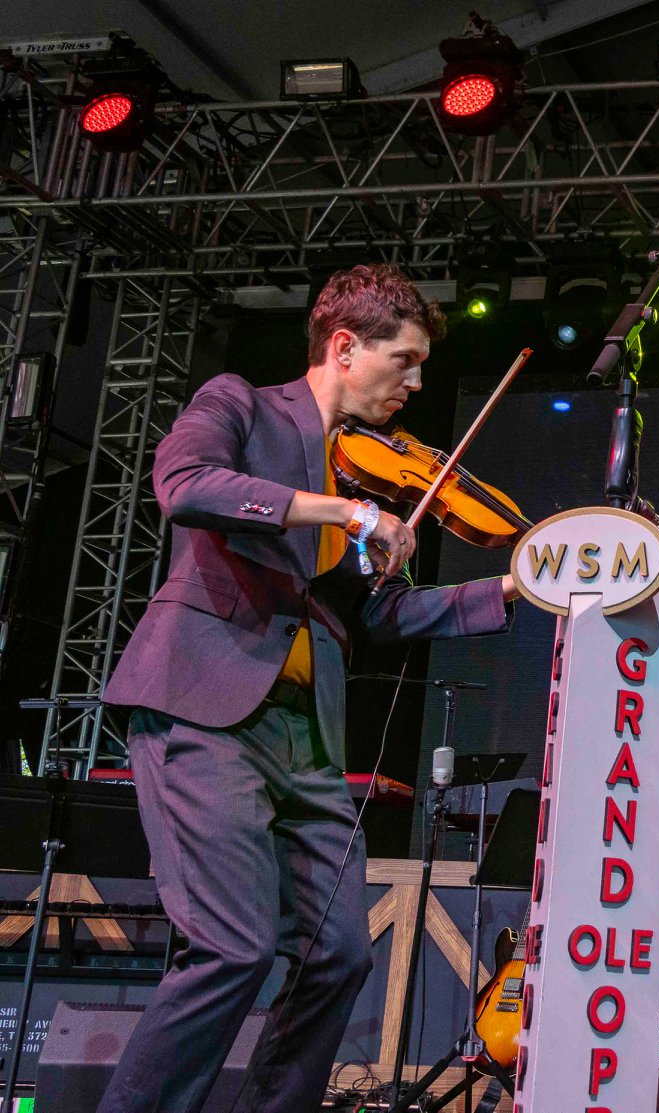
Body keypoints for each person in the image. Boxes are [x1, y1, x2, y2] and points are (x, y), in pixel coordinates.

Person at [98, 265, 521, 1113]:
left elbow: (377, 617)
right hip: (205, 710)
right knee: (232, 945)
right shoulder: (243, 407)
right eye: (403, 361)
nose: (415, 383)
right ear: (343, 346)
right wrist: (338, 513)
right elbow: (183, 486)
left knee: (340, 953)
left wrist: (508, 589)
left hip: (307, 738)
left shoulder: (356, 475)